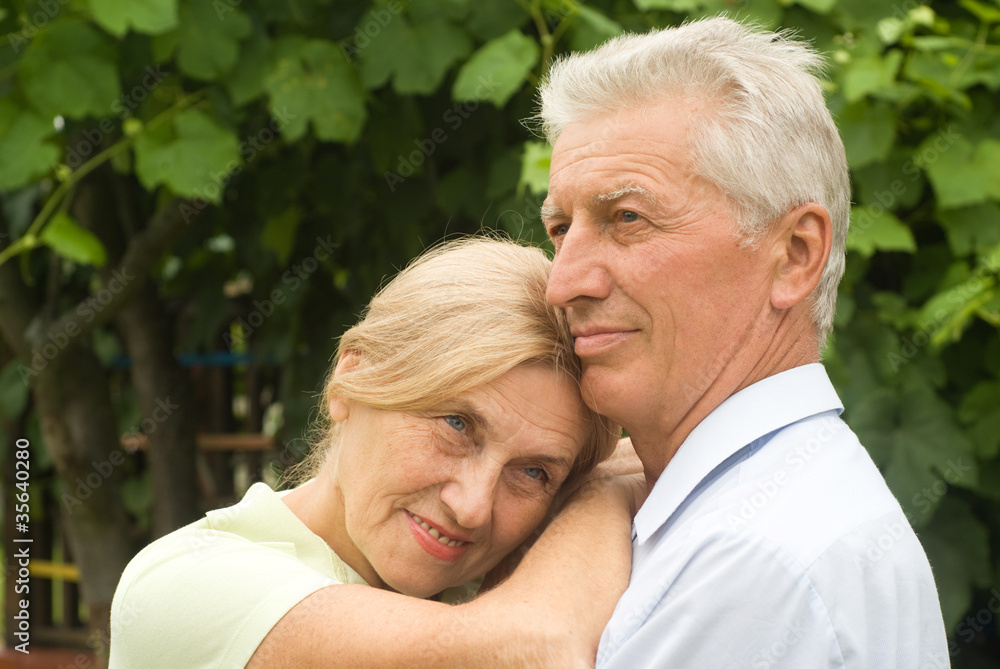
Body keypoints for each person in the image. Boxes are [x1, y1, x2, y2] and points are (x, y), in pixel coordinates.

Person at [537, 17, 949, 668]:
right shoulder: (763, 510)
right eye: (561, 228)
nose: (562, 283)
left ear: (795, 255)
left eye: (628, 218)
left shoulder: (751, 561)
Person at [109, 237, 640, 668]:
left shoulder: (491, 593)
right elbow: (537, 649)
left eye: (534, 473)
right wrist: (605, 490)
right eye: (456, 425)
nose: (473, 507)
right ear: (351, 378)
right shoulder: (187, 585)